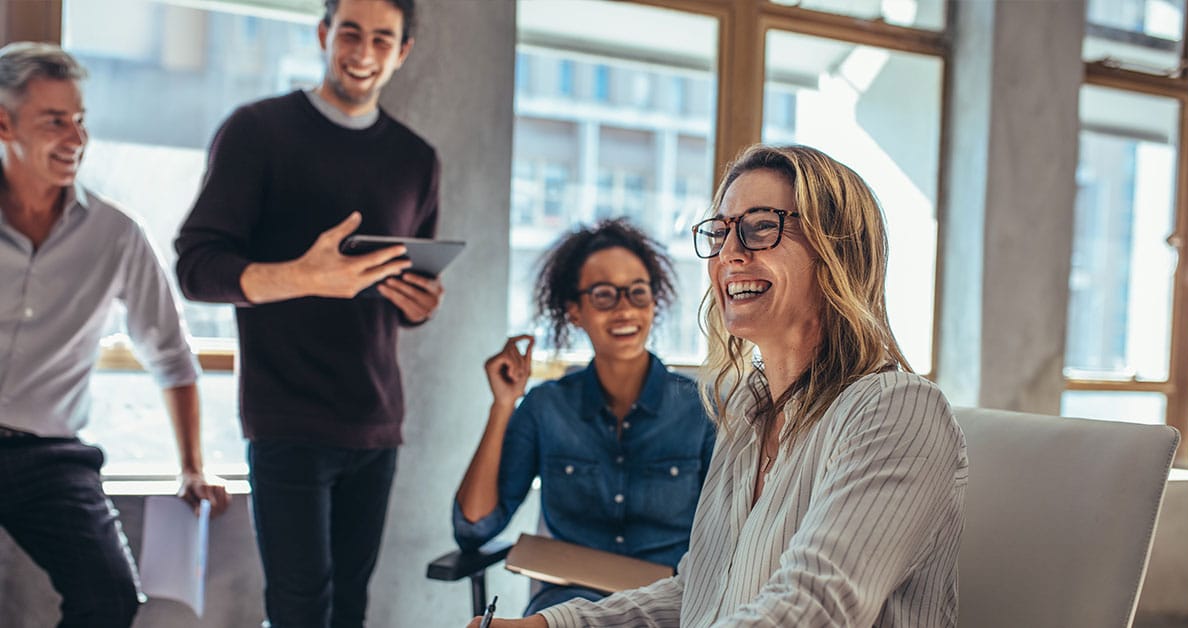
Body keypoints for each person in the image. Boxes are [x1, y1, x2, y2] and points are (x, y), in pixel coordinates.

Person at [469, 144, 969, 628]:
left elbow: (813, 612)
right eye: (721, 233)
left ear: (836, 250)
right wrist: (552, 625)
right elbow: (698, 594)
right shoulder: (745, 412)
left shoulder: (897, 410)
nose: (728, 253)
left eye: (759, 228)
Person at [173, 0, 442, 626]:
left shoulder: (416, 158)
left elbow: (401, 291)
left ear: (402, 52)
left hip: (376, 420)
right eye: (349, 31)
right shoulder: (257, 131)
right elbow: (196, 268)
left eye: (383, 38)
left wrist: (418, 305)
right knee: (299, 609)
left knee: (349, 607)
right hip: (286, 418)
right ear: (324, 34)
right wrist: (302, 275)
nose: (363, 50)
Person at [0, 42, 230, 628]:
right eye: (55, 121)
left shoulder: (117, 235)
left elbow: (172, 356)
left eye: (80, 120)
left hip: (49, 456)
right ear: (4, 123)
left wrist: (193, 466)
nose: (75, 137)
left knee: (110, 599)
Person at [453, 219, 716, 615]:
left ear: (654, 303)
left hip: (669, 608)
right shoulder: (546, 408)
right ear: (574, 311)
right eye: (604, 295)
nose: (625, 308)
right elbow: (474, 526)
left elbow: (732, 537)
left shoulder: (702, 409)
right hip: (566, 609)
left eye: (638, 293)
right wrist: (503, 404)